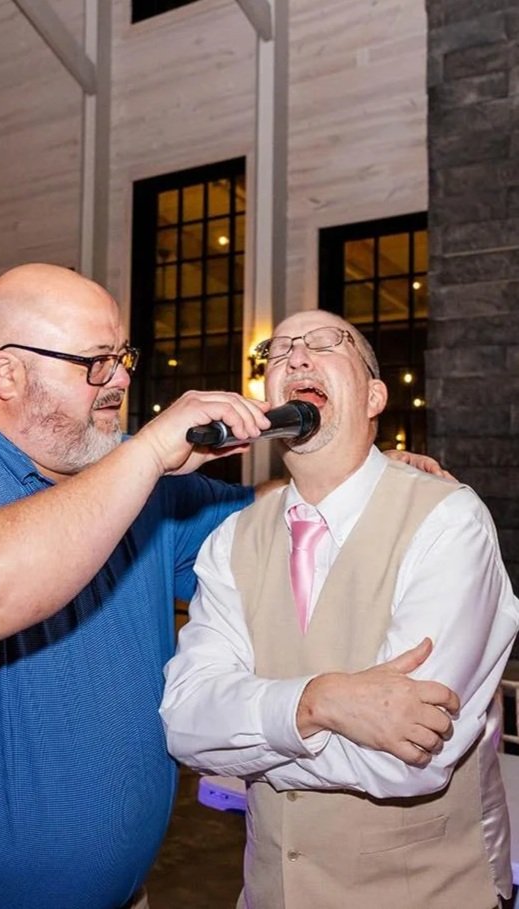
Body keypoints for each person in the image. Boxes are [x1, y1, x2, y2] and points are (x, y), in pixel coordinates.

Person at [0, 265, 457, 909]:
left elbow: (274, 526)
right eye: (94, 363)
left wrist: (358, 479)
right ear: (6, 372)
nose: (118, 380)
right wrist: (144, 453)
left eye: (122, 357)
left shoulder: (140, 494)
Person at [161, 309, 519, 909]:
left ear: (375, 395)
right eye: (279, 352)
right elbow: (186, 725)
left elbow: (408, 760)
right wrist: (320, 702)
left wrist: (250, 733)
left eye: (327, 345)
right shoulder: (230, 542)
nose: (296, 357)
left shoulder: (448, 520)